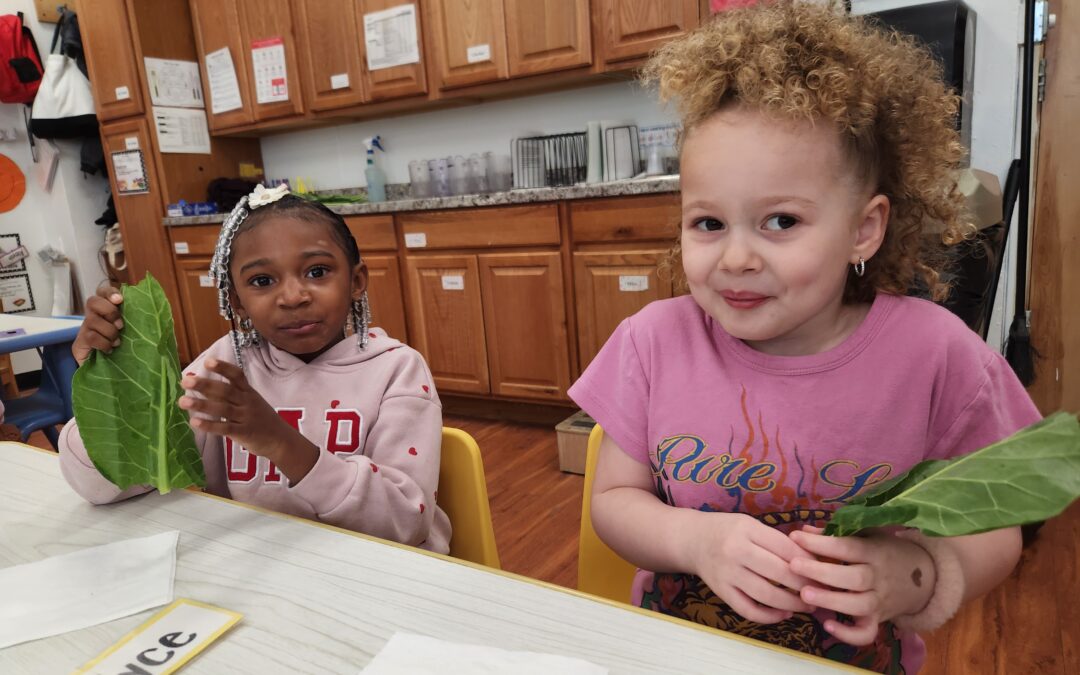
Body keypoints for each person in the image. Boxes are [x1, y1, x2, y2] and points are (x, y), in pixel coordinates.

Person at [568, 3, 1040, 672]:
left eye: (780, 220)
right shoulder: (652, 343)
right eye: (707, 223)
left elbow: (999, 527)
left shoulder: (938, 356)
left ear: (864, 229)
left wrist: (913, 573)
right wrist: (693, 539)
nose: (734, 258)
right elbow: (614, 500)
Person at [60, 184, 450, 553]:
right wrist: (111, 380)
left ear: (356, 280)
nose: (293, 297)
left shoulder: (396, 370)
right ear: (237, 302)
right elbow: (110, 484)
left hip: (379, 579)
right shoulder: (227, 364)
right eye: (262, 280)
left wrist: (281, 442)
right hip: (264, 573)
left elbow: (405, 523)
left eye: (317, 271)